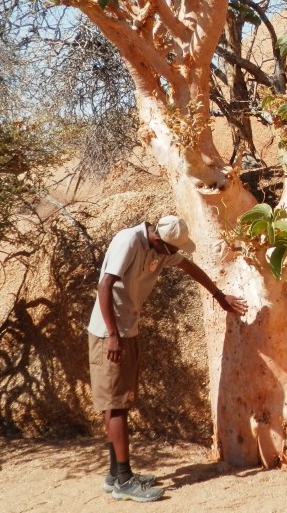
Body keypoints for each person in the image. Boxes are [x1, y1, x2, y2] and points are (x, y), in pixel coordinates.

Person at [87, 214, 247, 502]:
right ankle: (124, 480)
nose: (173, 254)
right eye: (172, 249)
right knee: (116, 405)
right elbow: (104, 286)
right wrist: (112, 334)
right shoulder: (128, 241)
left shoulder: (160, 248)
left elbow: (189, 267)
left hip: (126, 330)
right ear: (158, 239)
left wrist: (219, 295)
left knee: (120, 401)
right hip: (109, 334)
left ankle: (115, 475)